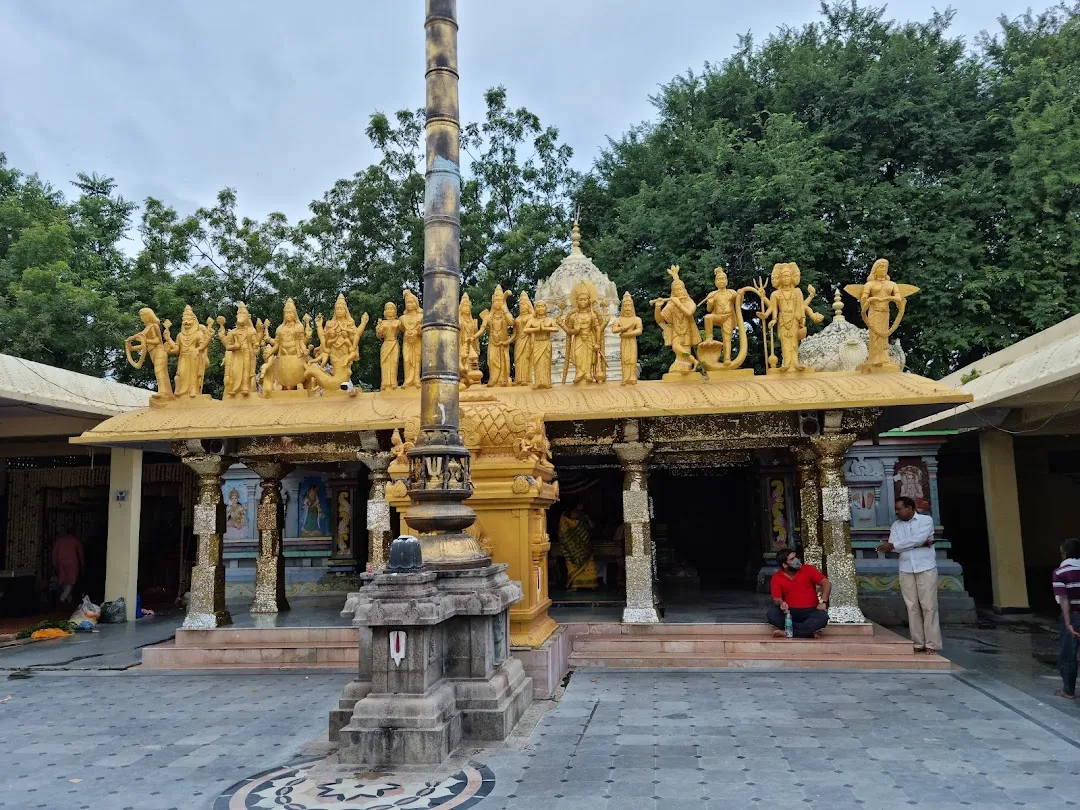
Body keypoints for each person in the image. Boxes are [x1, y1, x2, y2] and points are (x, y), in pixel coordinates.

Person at [876, 496, 940, 654]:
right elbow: (900, 546)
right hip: (905, 568)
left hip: (925, 566)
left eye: (899, 509)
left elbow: (915, 539)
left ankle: (932, 644)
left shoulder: (925, 520)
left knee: (929, 606)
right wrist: (917, 544)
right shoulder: (896, 525)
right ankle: (918, 642)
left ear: (910, 508)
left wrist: (898, 545)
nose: (897, 512)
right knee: (912, 606)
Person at [767, 547, 830, 638]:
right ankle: (807, 632)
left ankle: (789, 633)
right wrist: (781, 603)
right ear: (785, 565)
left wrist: (823, 601)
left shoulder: (808, 569)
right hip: (789, 612)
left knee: (822, 618)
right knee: (772, 615)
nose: (797, 560)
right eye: (792, 559)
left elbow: (826, 583)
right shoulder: (776, 577)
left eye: (795, 557)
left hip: (810, 611)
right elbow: (776, 599)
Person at [1051, 537, 1080, 700]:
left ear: (1064, 553)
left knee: (1068, 655)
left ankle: (1068, 691)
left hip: (1073, 616)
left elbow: (1063, 599)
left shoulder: (1060, 573)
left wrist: (1068, 623)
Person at [51, 530, 84, 604]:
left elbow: (54, 552)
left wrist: (54, 563)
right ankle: (62, 598)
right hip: (72, 562)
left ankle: (68, 598)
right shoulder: (75, 540)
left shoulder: (59, 540)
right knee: (71, 581)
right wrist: (82, 564)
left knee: (64, 581)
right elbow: (80, 552)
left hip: (60, 562)